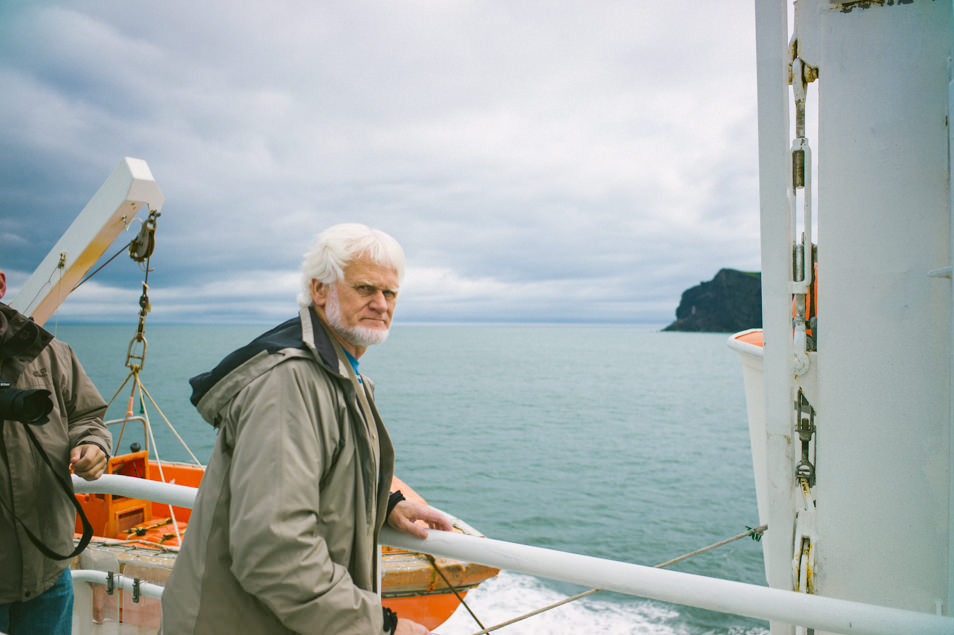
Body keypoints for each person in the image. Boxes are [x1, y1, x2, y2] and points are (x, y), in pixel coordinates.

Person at [162, 224, 452, 635]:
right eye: (365, 289)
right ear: (320, 291)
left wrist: (382, 505)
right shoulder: (289, 383)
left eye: (390, 294)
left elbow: (317, 474)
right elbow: (273, 549)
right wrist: (380, 627)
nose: (380, 304)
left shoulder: (340, 377)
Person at [0, 270, 112, 635]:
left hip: (48, 568)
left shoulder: (51, 353)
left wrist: (92, 444)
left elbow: (87, 415)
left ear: (0, 283)